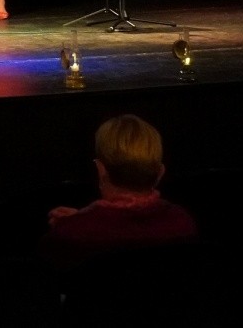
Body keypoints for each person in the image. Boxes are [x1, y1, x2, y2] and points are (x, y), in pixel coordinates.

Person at [36, 114, 198, 271]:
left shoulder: (71, 236)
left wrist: (76, 222)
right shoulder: (182, 223)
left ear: (101, 170)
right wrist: (81, 218)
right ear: (160, 173)